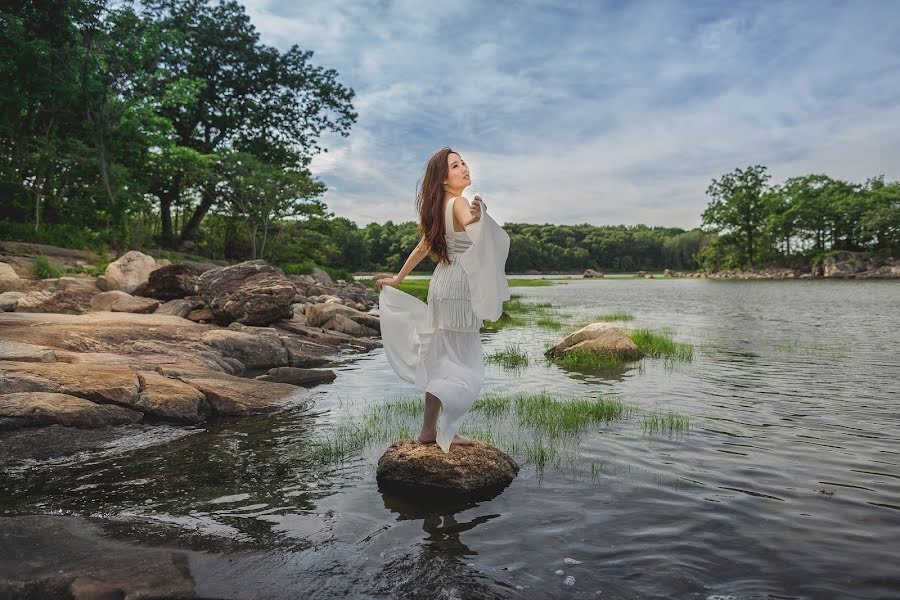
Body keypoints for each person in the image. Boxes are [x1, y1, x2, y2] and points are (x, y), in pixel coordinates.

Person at [376, 147, 510, 453]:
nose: (464, 168)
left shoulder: (441, 207)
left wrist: (398, 279)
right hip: (459, 285)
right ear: (443, 178)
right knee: (462, 359)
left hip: (442, 282)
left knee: (441, 355)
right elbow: (471, 227)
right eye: (455, 165)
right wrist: (478, 219)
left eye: (463, 163)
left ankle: (428, 430)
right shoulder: (459, 203)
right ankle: (448, 430)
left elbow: (423, 248)